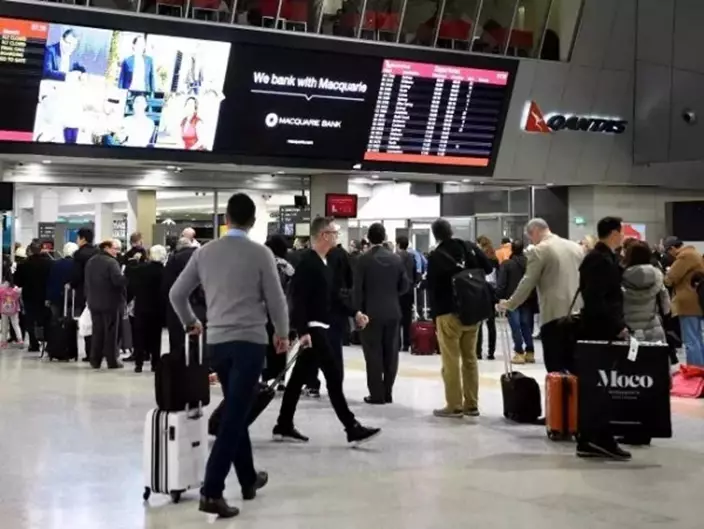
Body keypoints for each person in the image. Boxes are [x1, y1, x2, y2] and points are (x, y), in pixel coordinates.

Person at [169, 193, 289, 519]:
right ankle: (211, 491)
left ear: (226, 219)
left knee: (237, 407)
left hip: (218, 344)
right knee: (235, 415)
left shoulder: (204, 252)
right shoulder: (261, 253)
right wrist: (282, 332)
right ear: (253, 222)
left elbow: (177, 293)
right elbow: (276, 298)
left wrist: (191, 322)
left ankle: (248, 478)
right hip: (250, 343)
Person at [273, 216, 381, 445]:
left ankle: (283, 423)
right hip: (314, 330)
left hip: (320, 327)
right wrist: (303, 331)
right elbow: (297, 300)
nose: (337, 237)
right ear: (323, 235)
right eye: (334, 233)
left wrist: (354, 313)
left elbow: (333, 297)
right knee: (333, 377)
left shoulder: (325, 263)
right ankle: (351, 427)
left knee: (297, 380)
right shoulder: (308, 264)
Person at [498, 219, 584, 373]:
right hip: (578, 314)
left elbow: (528, 282)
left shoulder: (540, 250)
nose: (532, 241)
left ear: (536, 231)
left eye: (531, 237)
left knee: (555, 369)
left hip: (554, 317)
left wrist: (510, 304)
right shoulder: (576, 247)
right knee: (575, 366)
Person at [576, 216, 630, 460]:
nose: (624, 237)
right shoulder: (599, 259)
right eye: (621, 232)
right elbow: (596, 299)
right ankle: (595, 438)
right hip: (599, 332)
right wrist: (617, 326)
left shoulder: (603, 257)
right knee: (599, 386)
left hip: (602, 329)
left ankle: (595, 437)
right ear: (614, 234)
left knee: (602, 385)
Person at [427, 219, 493, 418]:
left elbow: (432, 286)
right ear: (451, 231)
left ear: (435, 235)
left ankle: (454, 405)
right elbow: (489, 268)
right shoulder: (469, 247)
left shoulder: (436, 256)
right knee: (470, 358)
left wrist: (434, 315)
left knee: (451, 361)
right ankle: (471, 404)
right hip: (472, 311)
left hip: (448, 313)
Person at [354, 223, 410, 404]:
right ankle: (388, 392)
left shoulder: (363, 260)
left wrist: (357, 310)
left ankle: (376, 394)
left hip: (370, 313)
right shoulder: (396, 259)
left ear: (368, 238)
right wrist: (392, 295)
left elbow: (358, 289)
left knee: (373, 354)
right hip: (393, 311)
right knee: (391, 353)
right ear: (384, 237)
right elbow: (405, 285)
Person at [84, 240, 127, 369]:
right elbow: (118, 281)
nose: (117, 252)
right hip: (110, 302)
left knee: (97, 332)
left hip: (94, 301)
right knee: (111, 333)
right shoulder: (111, 262)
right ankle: (112, 360)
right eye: (115, 248)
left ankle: (95, 360)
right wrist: (127, 277)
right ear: (106, 248)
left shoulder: (91, 261)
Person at [496, 240, 537, 364]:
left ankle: (519, 352)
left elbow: (502, 283)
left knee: (515, 326)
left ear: (512, 249)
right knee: (526, 325)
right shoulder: (530, 263)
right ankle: (530, 352)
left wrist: (499, 298)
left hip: (511, 299)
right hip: (527, 299)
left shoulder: (507, 264)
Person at [163, 237, 205, 357]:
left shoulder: (174, 259)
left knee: (177, 339)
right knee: (200, 340)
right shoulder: (200, 256)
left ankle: (179, 361)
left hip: (178, 307)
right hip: (200, 305)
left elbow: (167, 285)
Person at [262, 234, 295, 388]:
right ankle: (281, 379)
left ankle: (265, 376)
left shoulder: (265, 263)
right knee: (282, 343)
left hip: (265, 310)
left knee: (266, 344)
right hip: (283, 309)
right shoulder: (287, 267)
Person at [622, 240, 671, 342]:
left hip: (629, 329)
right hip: (653, 326)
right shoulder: (656, 275)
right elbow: (666, 304)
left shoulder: (621, 276)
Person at [665, 240, 704, 367]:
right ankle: (700, 368)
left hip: (688, 303)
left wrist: (667, 273)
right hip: (697, 300)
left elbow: (670, 278)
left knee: (690, 340)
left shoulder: (684, 256)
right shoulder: (695, 254)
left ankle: (695, 369)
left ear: (672, 248)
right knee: (697, 338)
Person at [129, 245, 167, 373]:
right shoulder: (164, 271)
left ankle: (138, 363)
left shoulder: (141, 269)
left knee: (140, 335)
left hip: (141, 306)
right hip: (157, 308)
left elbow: (132, 284)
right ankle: (155, 363)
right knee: (155, 337)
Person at [14, 242, 52, 353]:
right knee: (45, 319)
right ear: (41, 249)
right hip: (44, 296)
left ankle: (33, 343)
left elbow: (18, 282)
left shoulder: (23, 264)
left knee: (30, 320)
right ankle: (47, 343)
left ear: (30, 250)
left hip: (29, 296)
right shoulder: (49, 263)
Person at [476, 236, 498, 360]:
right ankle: (491, 352)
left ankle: (478, 351)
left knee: (479, 324)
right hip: (492, 294)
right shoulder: (495, 259)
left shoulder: (480, 259)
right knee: (491, 324)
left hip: (481, 291)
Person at [395, 235, 418, 352]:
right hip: (409, 291)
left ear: (398, 244)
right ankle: (406, 343)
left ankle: (397, 343)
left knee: (397, 318)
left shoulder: (395, 257)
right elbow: (415, 274)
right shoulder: (412, 257)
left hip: (398, 291)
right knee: (407, 317)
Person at [47, 242, 78, 315]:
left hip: (55, 296)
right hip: (71, 297)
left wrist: (48, 297)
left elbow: (50, 281)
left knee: (55, 316)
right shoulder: (77, 265)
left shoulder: (55, 264)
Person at [0, 278, 23, 348]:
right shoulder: (16, 290)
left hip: (4, 310)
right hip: (14, 310)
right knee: (16, 325)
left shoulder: (1, 290)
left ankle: (3, 342)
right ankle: (20, 339)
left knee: (4, 326)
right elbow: (19, 296)